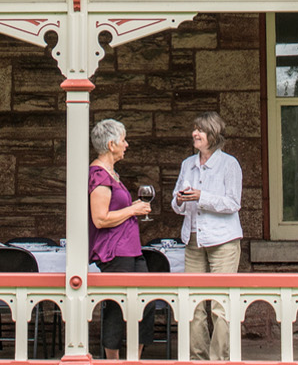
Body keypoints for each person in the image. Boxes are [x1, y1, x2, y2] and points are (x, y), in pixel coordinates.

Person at [170, 112, 242, 361]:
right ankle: (197, 358)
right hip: (193, 240)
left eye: (199, 130)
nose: (194, 134)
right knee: (193, 303)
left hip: (223, 241)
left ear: (213, 135)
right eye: (194, 129)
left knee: (221, 304)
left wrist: (202, 196)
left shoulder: (229, 164)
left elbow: (233, 203)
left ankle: (219, 359)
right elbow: (176, 205)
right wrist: (179, 199)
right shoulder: (187, 164)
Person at [87, 118, 154, 359]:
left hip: (131, 250)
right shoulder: (99, 175)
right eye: (123, 140)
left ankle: (133, 358)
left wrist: (133, 206)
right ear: (111, 144)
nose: (127, 144)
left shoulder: (113, 174)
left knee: (145, 304)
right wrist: (132, 211)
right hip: (114, 252)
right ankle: (113, 361)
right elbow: (100, 219)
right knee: (117, 308)